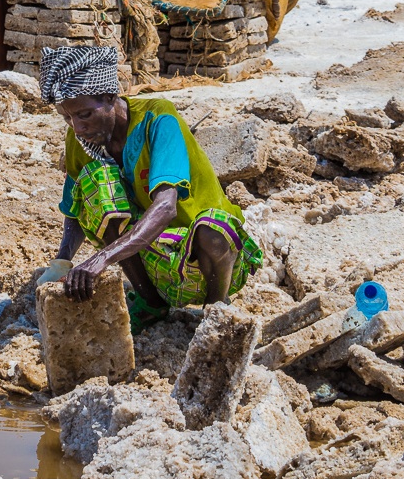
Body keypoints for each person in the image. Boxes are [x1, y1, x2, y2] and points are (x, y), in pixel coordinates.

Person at [34, 46, 263, 333]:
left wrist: (102, 259)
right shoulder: (82, 139)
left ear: (109, 96)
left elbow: (166, 207)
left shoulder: (158, 119)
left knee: (212, 228)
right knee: (96, 186)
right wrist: (62, 261)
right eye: (67, 118)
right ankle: (151, 304)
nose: (78, 127)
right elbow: (76, 207)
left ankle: (216, 310)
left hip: (206, 261)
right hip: (155, 263)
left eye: (85, 114)